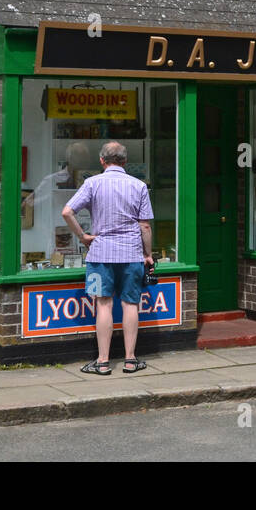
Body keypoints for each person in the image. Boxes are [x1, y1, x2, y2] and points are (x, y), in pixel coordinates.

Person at [61, 141, 154, 375]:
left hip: (100, 254)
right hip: (132, 254)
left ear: (102, 161)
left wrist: (83, 236)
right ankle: (130, 360)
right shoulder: (138, 185)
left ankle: (102, 362)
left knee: (103, 304)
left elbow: (67, 212)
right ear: (124, 161)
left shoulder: (92, 183)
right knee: (130, 304)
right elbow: (144, 225)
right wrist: (148, 254)